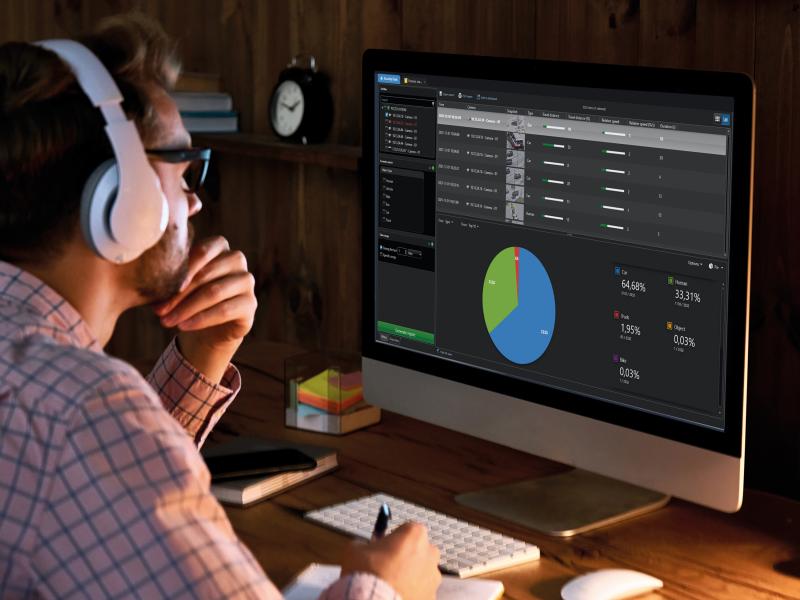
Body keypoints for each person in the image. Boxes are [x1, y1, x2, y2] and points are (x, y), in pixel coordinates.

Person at [0, 13, 441, 600]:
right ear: (121, 199)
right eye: (183, 167)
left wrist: (202, 357)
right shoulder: (81, 411)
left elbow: (103, 506)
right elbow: (88, 444)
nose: (194, 200)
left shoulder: (43, 388)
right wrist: (386, 586)